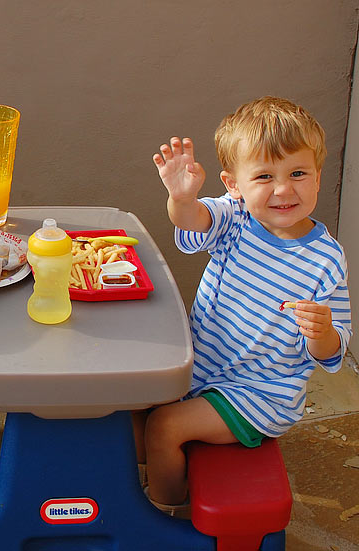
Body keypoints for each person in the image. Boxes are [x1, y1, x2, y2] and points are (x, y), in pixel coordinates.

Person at [140, 96, 352, 516]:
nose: (284, 189)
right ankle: (152, 475)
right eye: (264, 176)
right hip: (199, 367)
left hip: (260, 393)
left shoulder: (325, 260)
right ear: (234, 184)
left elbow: (334, 352)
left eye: (298, 173)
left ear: (318, 176)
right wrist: (181, 199)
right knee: (132, 408)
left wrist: (323, 333)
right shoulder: (235, 218)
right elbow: (192, 220)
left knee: (164, 427)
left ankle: (162, 514)